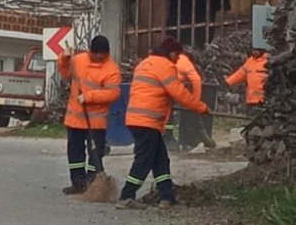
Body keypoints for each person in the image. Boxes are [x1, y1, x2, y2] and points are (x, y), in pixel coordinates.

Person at [116, 37, 209, 210]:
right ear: (172, 53)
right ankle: (126, 196)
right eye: (177, 55)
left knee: (160, 160)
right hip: (148, 120)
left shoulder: (144, 64)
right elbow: (179, 93)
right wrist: (200, 107)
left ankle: (167, 197)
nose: (177, 59)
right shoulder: (165, 66)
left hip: (136, 118)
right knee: (144, 160)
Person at [57, 35, 121, 194]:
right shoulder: (78, 60)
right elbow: (65, 73)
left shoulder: (111, 69)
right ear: (90, 51)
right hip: (75, 119)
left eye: (102, 54)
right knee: (75, 152)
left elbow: (113, 93)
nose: (99, 56)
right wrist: (64, 58)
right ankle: (77, 183)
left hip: (96, 122)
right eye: (96, 53)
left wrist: (89, 97)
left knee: (95, 153)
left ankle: (93, 182)